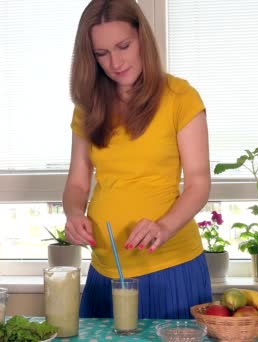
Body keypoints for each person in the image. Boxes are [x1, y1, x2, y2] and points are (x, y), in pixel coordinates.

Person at [63, 0, 212, 319]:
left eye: (123, 46)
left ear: (142, 37)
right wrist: (74, 214)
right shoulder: (89, 106)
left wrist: (164, 227)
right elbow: (77, 182)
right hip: (104, 272)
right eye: (101, 53)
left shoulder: (180, 97)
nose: (115, 62)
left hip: (170, 269)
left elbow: (199, 183)